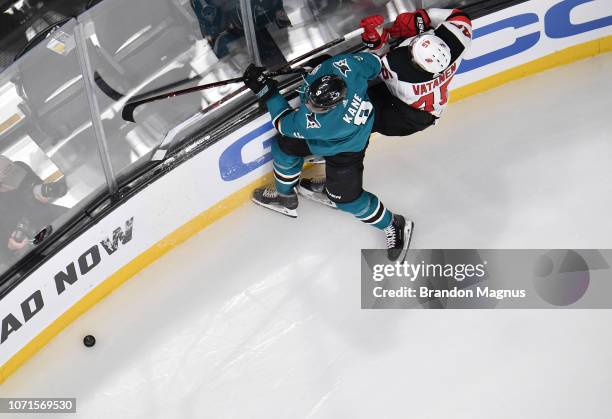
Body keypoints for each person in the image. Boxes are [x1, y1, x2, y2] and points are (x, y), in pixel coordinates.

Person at [242, 53, 413, 261]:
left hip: (347, 149)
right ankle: (285, 197)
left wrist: (266, 90)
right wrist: (317, 66)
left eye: (318, 107)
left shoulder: (317, 123)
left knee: (347, 200)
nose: (311, 108)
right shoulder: (346, 66)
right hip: (359, 127)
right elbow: (375, 63)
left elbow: (282, 122)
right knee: (284, 148)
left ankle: (393, 223)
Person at [360, 7, 473, 136]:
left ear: (414, 62)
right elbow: (460, 16)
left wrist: (375, 39)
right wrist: (423, 17)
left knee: (358, 117)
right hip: (428, 104)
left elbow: (376, 58)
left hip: (408, 119)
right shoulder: (457, 40)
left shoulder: (399, 71)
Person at [0, 155, 68, 270]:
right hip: (28, 253)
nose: (14, 171)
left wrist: (43, 194)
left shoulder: (21, 168)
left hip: (57, 222)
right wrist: (10, 246)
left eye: (11, 165)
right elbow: (4, 254)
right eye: (7, 171)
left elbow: (42, 192)